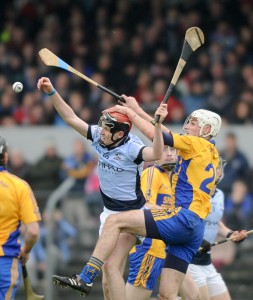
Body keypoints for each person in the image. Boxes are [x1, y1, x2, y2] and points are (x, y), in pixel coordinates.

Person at [51, 94, 221, 300]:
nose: (188, 126)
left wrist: (130, 112)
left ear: (207, 130)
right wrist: (138, 109)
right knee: (168, 295)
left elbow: (156, 135)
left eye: (194, 123)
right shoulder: (210, 152)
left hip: (182, 219)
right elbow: (161, 132)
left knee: (114, 221)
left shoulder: (196, 144)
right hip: (194, 229)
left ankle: (85, 277)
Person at [37, 78, 166, 300]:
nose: (101, 131)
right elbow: (70, 117)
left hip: (131, 215)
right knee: (107, 279)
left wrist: (156, 125)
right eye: (103, 127)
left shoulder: (132, 148)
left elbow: (157, 155)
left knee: (111, 268)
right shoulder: (98, 136)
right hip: (108, 213)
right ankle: (87, 280)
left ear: (119, 134)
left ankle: (85, 277)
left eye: (107, 129)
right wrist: (51, 92)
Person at [180, 158, 247, 300]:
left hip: (206, 262)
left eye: (218, 167)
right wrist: (197, 240)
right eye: (212, 167)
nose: (217, 171)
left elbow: (215, 223)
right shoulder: (194, 193)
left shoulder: (220, 195)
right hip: (190, 260)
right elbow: (183, 222)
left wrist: (230, 234)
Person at [126, 146, 177, 300]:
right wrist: (175, 215)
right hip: (148, 250)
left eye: (173, 150)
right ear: (154, 155)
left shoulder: (174, 180)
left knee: (190, 295)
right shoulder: (153, 172)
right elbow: (145, 205)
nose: (169, 153)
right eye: (163, 150)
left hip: (165, 251)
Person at [0, 136, 41, 299]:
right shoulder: (19, 186)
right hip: (5, 261)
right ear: (6, 157)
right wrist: (26, 251)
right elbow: (33, 232)